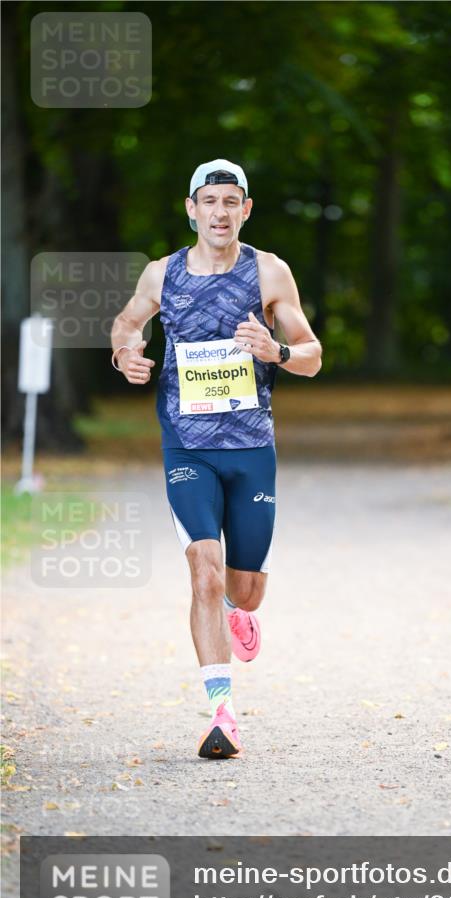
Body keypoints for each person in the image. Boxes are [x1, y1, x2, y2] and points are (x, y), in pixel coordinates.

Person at [110, 158, 322, 759]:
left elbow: (312, 354)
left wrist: (276, 349)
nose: (220, 212)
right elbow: (126, 326)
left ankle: (237, 608)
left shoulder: (269, 272)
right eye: (210, 201)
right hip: (188, 445)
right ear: (191, 208)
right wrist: (125, 355)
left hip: (251, 447)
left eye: (232, 201)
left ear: (245, 210)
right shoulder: (162, 275)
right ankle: (221, 715)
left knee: (245, 589)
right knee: (203, 568)